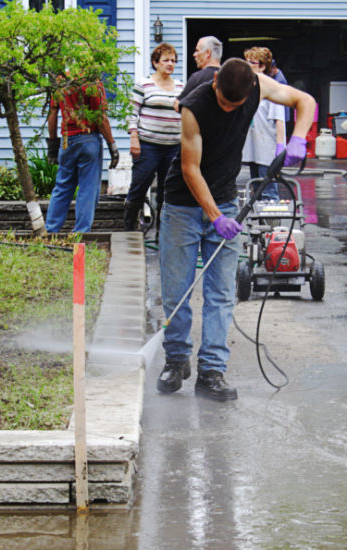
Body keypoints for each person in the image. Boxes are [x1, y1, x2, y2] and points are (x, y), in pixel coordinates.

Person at [158, 58, 315, 401]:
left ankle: (211, 372)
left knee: (221, 294)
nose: (228, 109)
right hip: (183, 207)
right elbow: (190, 169)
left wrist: (298, 139)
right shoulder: (193, 107)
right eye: (224, 102)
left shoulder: (257, 85)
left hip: (227, 200)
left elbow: (306, 101)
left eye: (236, 105)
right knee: (177, 292)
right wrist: (215, 217)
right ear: (215, 83)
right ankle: (175, 360)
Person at [45, 81, 119, 233]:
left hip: (66, 140)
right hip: (88, 138)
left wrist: (52, 144)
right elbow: (101, 118)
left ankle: (51, 230)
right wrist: (112, 145)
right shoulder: (91, 82)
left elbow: (52, 113)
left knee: (62, 186)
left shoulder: (60, 81)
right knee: (88, 189)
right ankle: (81, 233)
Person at [124, 43, 184, 231]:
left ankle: (162, 230)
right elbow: (132, 113)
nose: (170, 64)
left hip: (173, 146)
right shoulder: (143, 85)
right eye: (166, 60)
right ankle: (130, 226)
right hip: (148, 145)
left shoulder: (181, 87)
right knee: (139, 185)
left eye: (173, 60)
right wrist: (134, 139)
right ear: (155, 62)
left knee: (168, 190)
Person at [241, 47, 286, 201]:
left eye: (251, 63)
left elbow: (279, 120)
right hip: (253, 149)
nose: (247, 66)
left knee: (268, 193)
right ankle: (260, 224)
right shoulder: (250, 88)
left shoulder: (272, 88)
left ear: (262, 66)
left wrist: (280, 148)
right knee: (257, 191)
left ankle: (272, 224)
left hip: (268, 151)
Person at [176, 36, 222, 108]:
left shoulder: (196, 78)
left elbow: (177, 105)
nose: (194, 54)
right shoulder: (229, 78)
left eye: (197, 51)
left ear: (208, 53)